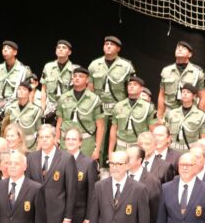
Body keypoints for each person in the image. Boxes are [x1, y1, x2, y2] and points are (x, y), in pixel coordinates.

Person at [88, 36, 136, 164]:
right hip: (100, 109)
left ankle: (116, 166)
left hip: (118, 108)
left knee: (117, 140)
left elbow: (131, 88)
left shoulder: (126, 66)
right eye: (106, 44)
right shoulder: (94, 64)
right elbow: (90, 88)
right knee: (99, 142)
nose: (108, 46)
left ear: (118, 48)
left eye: (112, 44)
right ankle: (100, 168)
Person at [55, 66, 104, 159]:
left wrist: (97, 149)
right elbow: (59, 122)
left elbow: (100, 126)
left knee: (84, 171)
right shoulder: (63, 98)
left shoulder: (94, 99)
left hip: (86, 144)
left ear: (87, 80)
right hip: (67, 142)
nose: (77, 78)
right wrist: (56, 140)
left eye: (81, 76)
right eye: (75, 76)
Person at [157, 40, 205, 120]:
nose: (179, 49)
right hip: (169, 114)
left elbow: (203, 97)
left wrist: (200, 117)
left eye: (183, 48)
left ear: (190, 54)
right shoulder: (166, 71)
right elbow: (161, 95)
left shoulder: (198, 73)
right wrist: (159, 115)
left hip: (190, 115)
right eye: (178, 48)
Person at [109, 76, 157, 153]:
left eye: (135, 84)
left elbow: (153, 130)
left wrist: (152, 150)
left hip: (139, 148)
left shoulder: (148, 107)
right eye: (129, 84)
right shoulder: (118, 106)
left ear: (141, 89)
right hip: (121, 147)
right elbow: (114, 129)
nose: (131, 86)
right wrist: (110, 151)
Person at [165, 83, 205, 150]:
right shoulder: (171, 113)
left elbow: (203, 138)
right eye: (183, 92)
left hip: (190, 151)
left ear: (194, 96)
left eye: (188, 92)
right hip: (172, 149)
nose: (185, 94)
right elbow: (166, 132)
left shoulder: (201, 116)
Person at [0, 40, 32, 111]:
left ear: (15, 52)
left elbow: (30, 92)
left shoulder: (24, 70)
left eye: (8, 48)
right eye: (4, 48)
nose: (5, 50)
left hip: (15, 106)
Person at [40, 40, 76, 116]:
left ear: (69, 52)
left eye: (64, 47)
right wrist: (43, 107)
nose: (60, 49)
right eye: (58, 47)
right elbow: (43, 89)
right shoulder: (48, 67)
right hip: (50, 107)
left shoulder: (75, 69)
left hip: (68, 108)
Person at [4, 80, 43, 146]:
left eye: (24, 89)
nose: (21, 91)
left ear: (29, 93)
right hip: (13, 145)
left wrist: (38, 147)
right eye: (19, 89)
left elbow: (39, 131)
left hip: (30, 146)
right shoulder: (9, 108)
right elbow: (5, 128)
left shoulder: (36, 110)